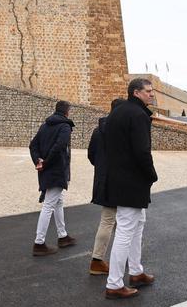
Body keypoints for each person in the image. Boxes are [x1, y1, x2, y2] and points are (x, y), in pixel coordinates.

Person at [103, 77, 159, 299]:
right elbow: (142, 151)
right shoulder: (137, 115)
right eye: (148, 91)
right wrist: (151, 175)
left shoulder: (118, 112)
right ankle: (114, 283)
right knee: (126, 229)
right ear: (136, 93)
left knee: (138, 223)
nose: (151, 94)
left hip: (119, 178)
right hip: (132, 181)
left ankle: (135, 271)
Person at [29, 100, 76, 256]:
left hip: (45, 169)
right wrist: (47, 162)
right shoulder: (65, 127)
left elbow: (33, 145)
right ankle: (39, 243)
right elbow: (60, 146)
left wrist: (38, 161)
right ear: (67, 112)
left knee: (58, 201)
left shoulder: (45, 126)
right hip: (55, 170)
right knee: (49, 205)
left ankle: (62, 235)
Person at [87, 98, 125, 275]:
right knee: (114, 220)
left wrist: (102, 168)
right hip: (118, 182)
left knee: (112, 220)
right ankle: (97, 259)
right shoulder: (121, 131)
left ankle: (111, 259)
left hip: (102, 180)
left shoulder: (97, 130)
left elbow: (91, 155)